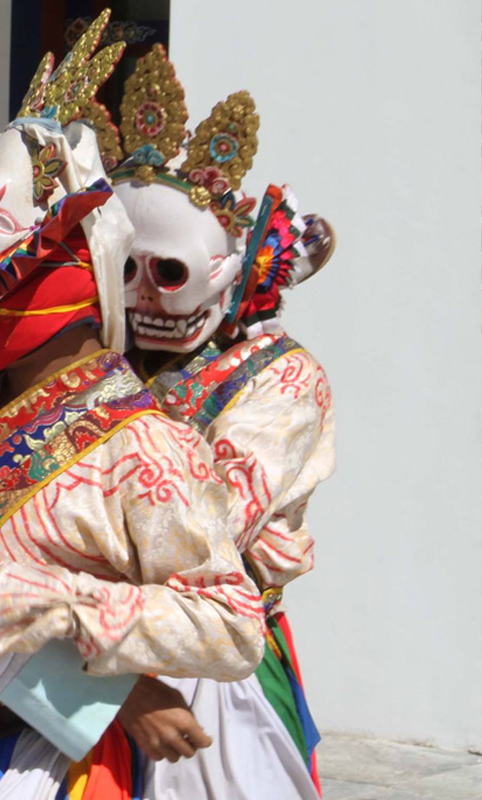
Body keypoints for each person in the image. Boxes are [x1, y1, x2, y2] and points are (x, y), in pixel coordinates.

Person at [0, 22, 265, 800]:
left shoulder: (141, 446)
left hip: (44, 764)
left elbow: (231, 620)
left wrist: (69, 626)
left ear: (75, 265)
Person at [109, 45, 336, 799]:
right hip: (91, 659)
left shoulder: (282, 378)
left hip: (210, 668)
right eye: (125, 272)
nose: (144, 299)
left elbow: (202, 531)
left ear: (231, 273)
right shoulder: (97, 359)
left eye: (168, 273)